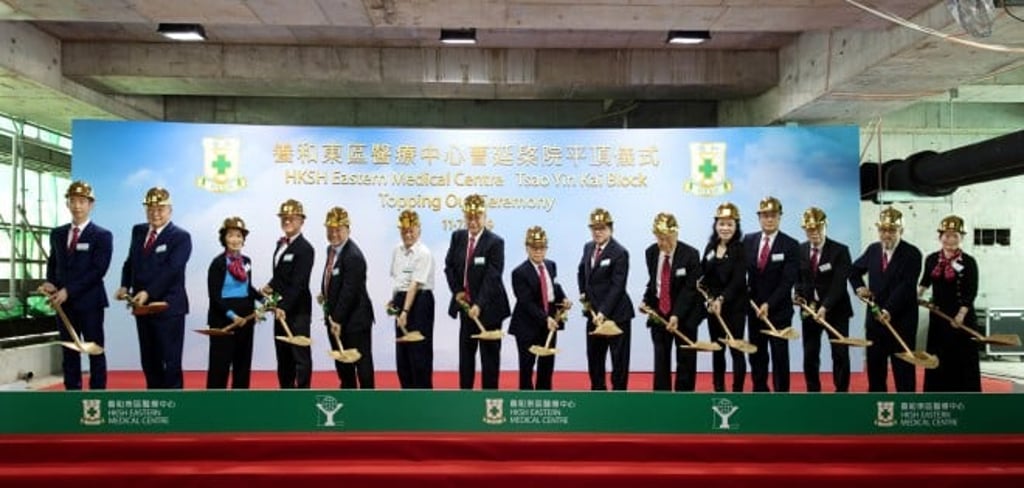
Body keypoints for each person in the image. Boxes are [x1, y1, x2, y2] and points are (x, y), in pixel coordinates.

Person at [116, 187, 192, 389]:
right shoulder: (138, 231)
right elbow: (130, 262)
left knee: (170, 360)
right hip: (142, 309)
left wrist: (148, 292)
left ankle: (174, 404)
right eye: (150, 208)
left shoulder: (181, 237)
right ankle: (155, 400)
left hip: (168, 308)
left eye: (160, 208)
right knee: (149, 360)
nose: (155, 213)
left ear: (170, 210)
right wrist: (125, 285)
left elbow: (171, 271)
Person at [42, 181, 112, 390]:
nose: (77, 206)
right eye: (73, 201)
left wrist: (68, 290)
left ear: (91, 205)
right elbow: (53, 264)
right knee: (69, 351)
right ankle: (72, 394)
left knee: (94, 349)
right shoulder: (57, 233)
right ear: (68, 204)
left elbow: (98, 270)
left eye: (82, 202)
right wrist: (50, 283)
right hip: (63, 306)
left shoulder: (102, 235)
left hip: (90, 304)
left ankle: (97, 395)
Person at [849, 206, 922, 392]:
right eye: (882, 230)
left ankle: (905, 405)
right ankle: (877, 405)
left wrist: (888, 310)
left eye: (891, 230)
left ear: (901, 231)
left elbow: (906, 287)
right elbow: (853, 271)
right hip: (875, 321)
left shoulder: (912, 254)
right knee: (875, 367)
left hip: (901, 321)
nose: (886, 235)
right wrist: (859, 287)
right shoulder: (873, 250)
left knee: (903, 368)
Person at [444, 194, 510, 390]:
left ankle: (489, 401)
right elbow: (449, 267)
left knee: (489, 359)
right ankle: (465, 399)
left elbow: (493, 277)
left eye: (477, 217)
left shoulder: (495, 242)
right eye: (469, 217)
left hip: (489, 308)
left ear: (484, 217)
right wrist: (457, 291)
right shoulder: (458, 237)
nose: (472, 222)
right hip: (466, 307)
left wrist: (479, 304)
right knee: (466, 356)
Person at [918, 215, 980, 392]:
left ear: (962, 238)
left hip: (962, 317)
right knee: (939, 357)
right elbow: (924, 282)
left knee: (962, 358)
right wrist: (916, 297)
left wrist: (960, 315)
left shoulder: (969, 262)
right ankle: (937, 394)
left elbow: (971, 292)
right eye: (947, 235)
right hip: (939, 315)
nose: (950, 239)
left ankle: (968, 398)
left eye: (955, 236)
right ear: (940, 237)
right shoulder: (931, 259)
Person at [642, 212, 703, 392]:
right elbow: (655, 283)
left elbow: (690, 290)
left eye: (666, 238)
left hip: (685, 315)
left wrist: (676, 314)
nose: (662, 243)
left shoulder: (691, 254)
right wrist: (646, 300)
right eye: (659, 238)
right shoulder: (651, 252)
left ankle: (684, 401)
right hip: (660, 315)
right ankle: (662, 399)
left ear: (676, 234)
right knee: (660, 358)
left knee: (685, 359)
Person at [743, 196, 799, 392]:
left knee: (779, 355)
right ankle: (760, 392)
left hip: (779, 311)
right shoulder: (748, 240)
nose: (769, 219)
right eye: (764, 215)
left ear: (780, 217)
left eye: (773, 215)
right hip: (755, 310)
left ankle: (781, 396)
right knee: (757, 354)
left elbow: (788, 281)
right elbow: (742, 273)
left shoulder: (791, 245)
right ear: (759, 217)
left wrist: (769, 304)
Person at [794, 207, 853, 393]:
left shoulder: (840, 251)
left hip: (836, 310)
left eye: (818, 228)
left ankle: (841, 392)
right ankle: (813, 391)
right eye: (810, 230)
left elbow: (839, 284)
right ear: (805, 230)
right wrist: (798, 294)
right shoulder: (800, 250)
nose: (815, 233)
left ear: (825, 226)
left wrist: (825, 306)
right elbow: (798, 278)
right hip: (809, 310)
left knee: (840, 353)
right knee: (810, 353)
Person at [577, 208, 634, 390]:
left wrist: (603, 312)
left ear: (610, 229)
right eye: (594, 228)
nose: (597, 232)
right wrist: (584, 296)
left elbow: (618, 287)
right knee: (594, 358)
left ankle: (619, 397)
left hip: (616, 316)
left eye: (602, 228)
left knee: (619, 361)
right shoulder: (588, 247)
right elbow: (582, 272)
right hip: (594, 315)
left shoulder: (620, 252)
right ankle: (598, 394)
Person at [262, 199, 315, 389]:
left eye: (292, 218)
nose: (287, 221)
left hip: (297, 312)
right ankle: (286, 392)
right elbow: (281, 275)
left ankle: (302, 394)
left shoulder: (306, 248)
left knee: (299, 355)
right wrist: (268, 286)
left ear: (301, 221)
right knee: (283, 355)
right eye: (284, 218)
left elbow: (298, 283)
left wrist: (284, 307)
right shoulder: (281, 245)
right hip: (279, 310)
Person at [320, 206, 375, 389]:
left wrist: (337, 319)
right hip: (336, 318)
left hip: (354, 320)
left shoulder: (353, 256)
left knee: (362, 364)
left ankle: (368, 402)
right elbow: (334, 280)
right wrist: (325, 294)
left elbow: (349, 292)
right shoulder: (332, 250)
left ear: (348, 230)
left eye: (338, 230)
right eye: (330, 230)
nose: (334, 234)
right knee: (343, 364)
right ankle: (348, 397)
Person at [205, 216, 263, 389]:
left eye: (239, 236)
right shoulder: (217, 263)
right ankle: (215, 405)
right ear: (224, 238)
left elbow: (248, 288)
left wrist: (266, 301)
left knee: (242, 365)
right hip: (224, 319)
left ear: (243, 239)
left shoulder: (247, 261)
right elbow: (214, 296)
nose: (235, 240)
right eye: (231, 235)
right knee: (219, 366)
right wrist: (232, 316)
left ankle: (240, 403)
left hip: (246, 319)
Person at [510, 226, 570, 390]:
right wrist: (545, 319)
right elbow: (526, 302)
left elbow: (555, 287)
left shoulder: (551, 265)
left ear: (546, 248)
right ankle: (526, 400)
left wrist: (563, 298)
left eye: (542, 248)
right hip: (527, 324)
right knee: (527, 366)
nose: (538, 251)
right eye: (534, 248)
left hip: (550, 321)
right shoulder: (519, 273)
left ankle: (545, 396)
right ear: (527, 248)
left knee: (547, 365)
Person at [701, 202, 748, 393]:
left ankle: (738, 391)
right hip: (713, 308)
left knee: (736, 350)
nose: (725, 228)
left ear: (736, 226)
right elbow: (703, 275)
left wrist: (721, 299)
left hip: (734, 307)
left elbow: (738, 280)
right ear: (715, 225)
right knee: (717, 350)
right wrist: (709, 299)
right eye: (721, 224)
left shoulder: (740, 249)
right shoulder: (710, 247)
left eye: (729, 224)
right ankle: (718, 388)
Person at [388, 209, 435, 389]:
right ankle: (406, 392)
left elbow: (415, 284)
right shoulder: (397, 251)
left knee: (419, 353)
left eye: (411, 231)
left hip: (419, 302)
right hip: (402, 299)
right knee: (403, 352)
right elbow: (399, 280)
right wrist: (393, 302)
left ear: (418, 230)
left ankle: (423, 396)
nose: (407, 234)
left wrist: (406, 311)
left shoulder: (423, 253)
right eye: (404, 231)